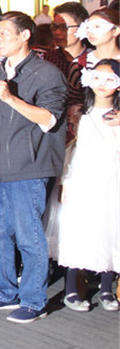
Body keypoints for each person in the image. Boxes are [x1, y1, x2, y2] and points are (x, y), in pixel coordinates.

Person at [0, 12, 67, 324]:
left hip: (29, 165)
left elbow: (49, 120)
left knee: (28, 236)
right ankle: (3, 291)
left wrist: (9, 97)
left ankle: (34, 300)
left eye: (3, 34)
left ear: (26, 35)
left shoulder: (46, 73)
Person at [45, 59, 119, 312]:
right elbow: (70, 150)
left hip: (112, 180)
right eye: (97, 77)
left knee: (110, 230)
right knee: (78, 230)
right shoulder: (79, 112)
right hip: (82, 179)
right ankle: (72, 289)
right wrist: (64, 182)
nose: (102, 84)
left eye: (110, 79)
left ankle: (107, 287)